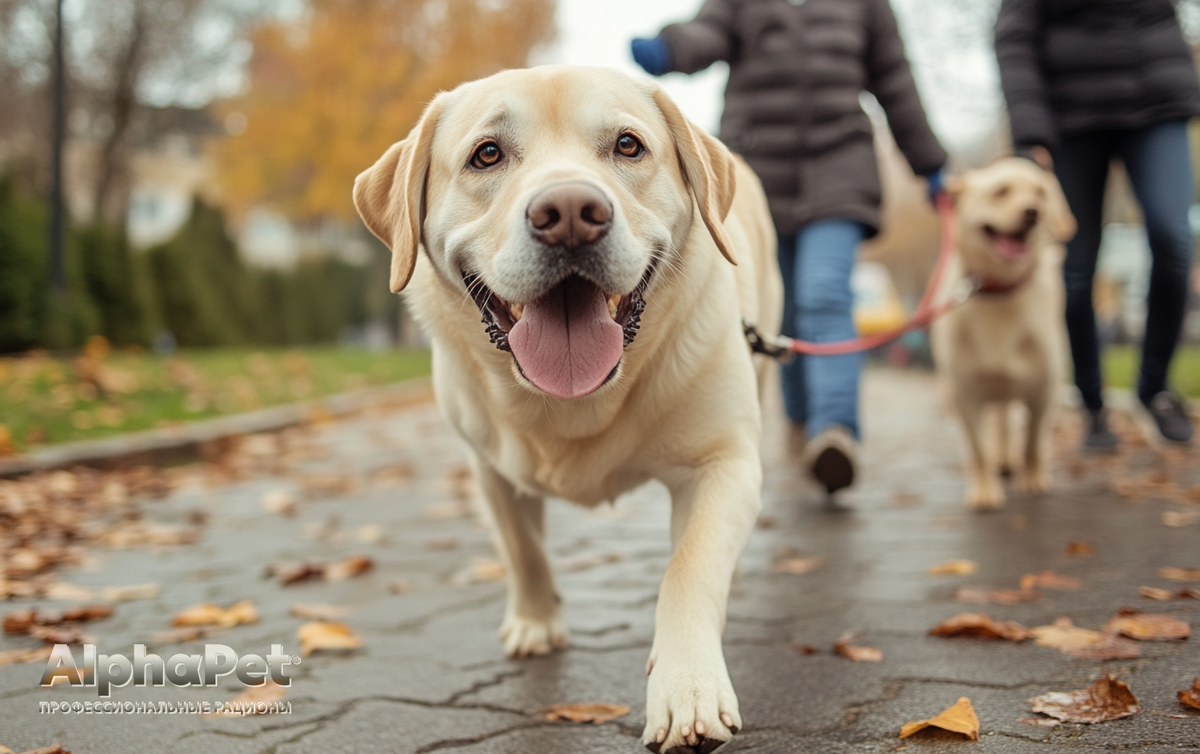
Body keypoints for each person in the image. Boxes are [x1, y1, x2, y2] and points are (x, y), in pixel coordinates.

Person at [631, 0, 947, 494]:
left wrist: (930, 163)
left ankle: (835, 430)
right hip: (759, 176)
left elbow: (895, 82)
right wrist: (669, 47)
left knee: (825, 295)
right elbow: (707, 34)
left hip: (839, 169)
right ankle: (801, 423)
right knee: (782, 316)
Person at [995, 0, 1199, 449]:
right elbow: (1014, 38)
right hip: (1070, 116)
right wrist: (1030, 133)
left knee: (1174, 238)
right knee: (1075, 270)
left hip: (1156, 99)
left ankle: (1155, 388)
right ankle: (1093, 406)